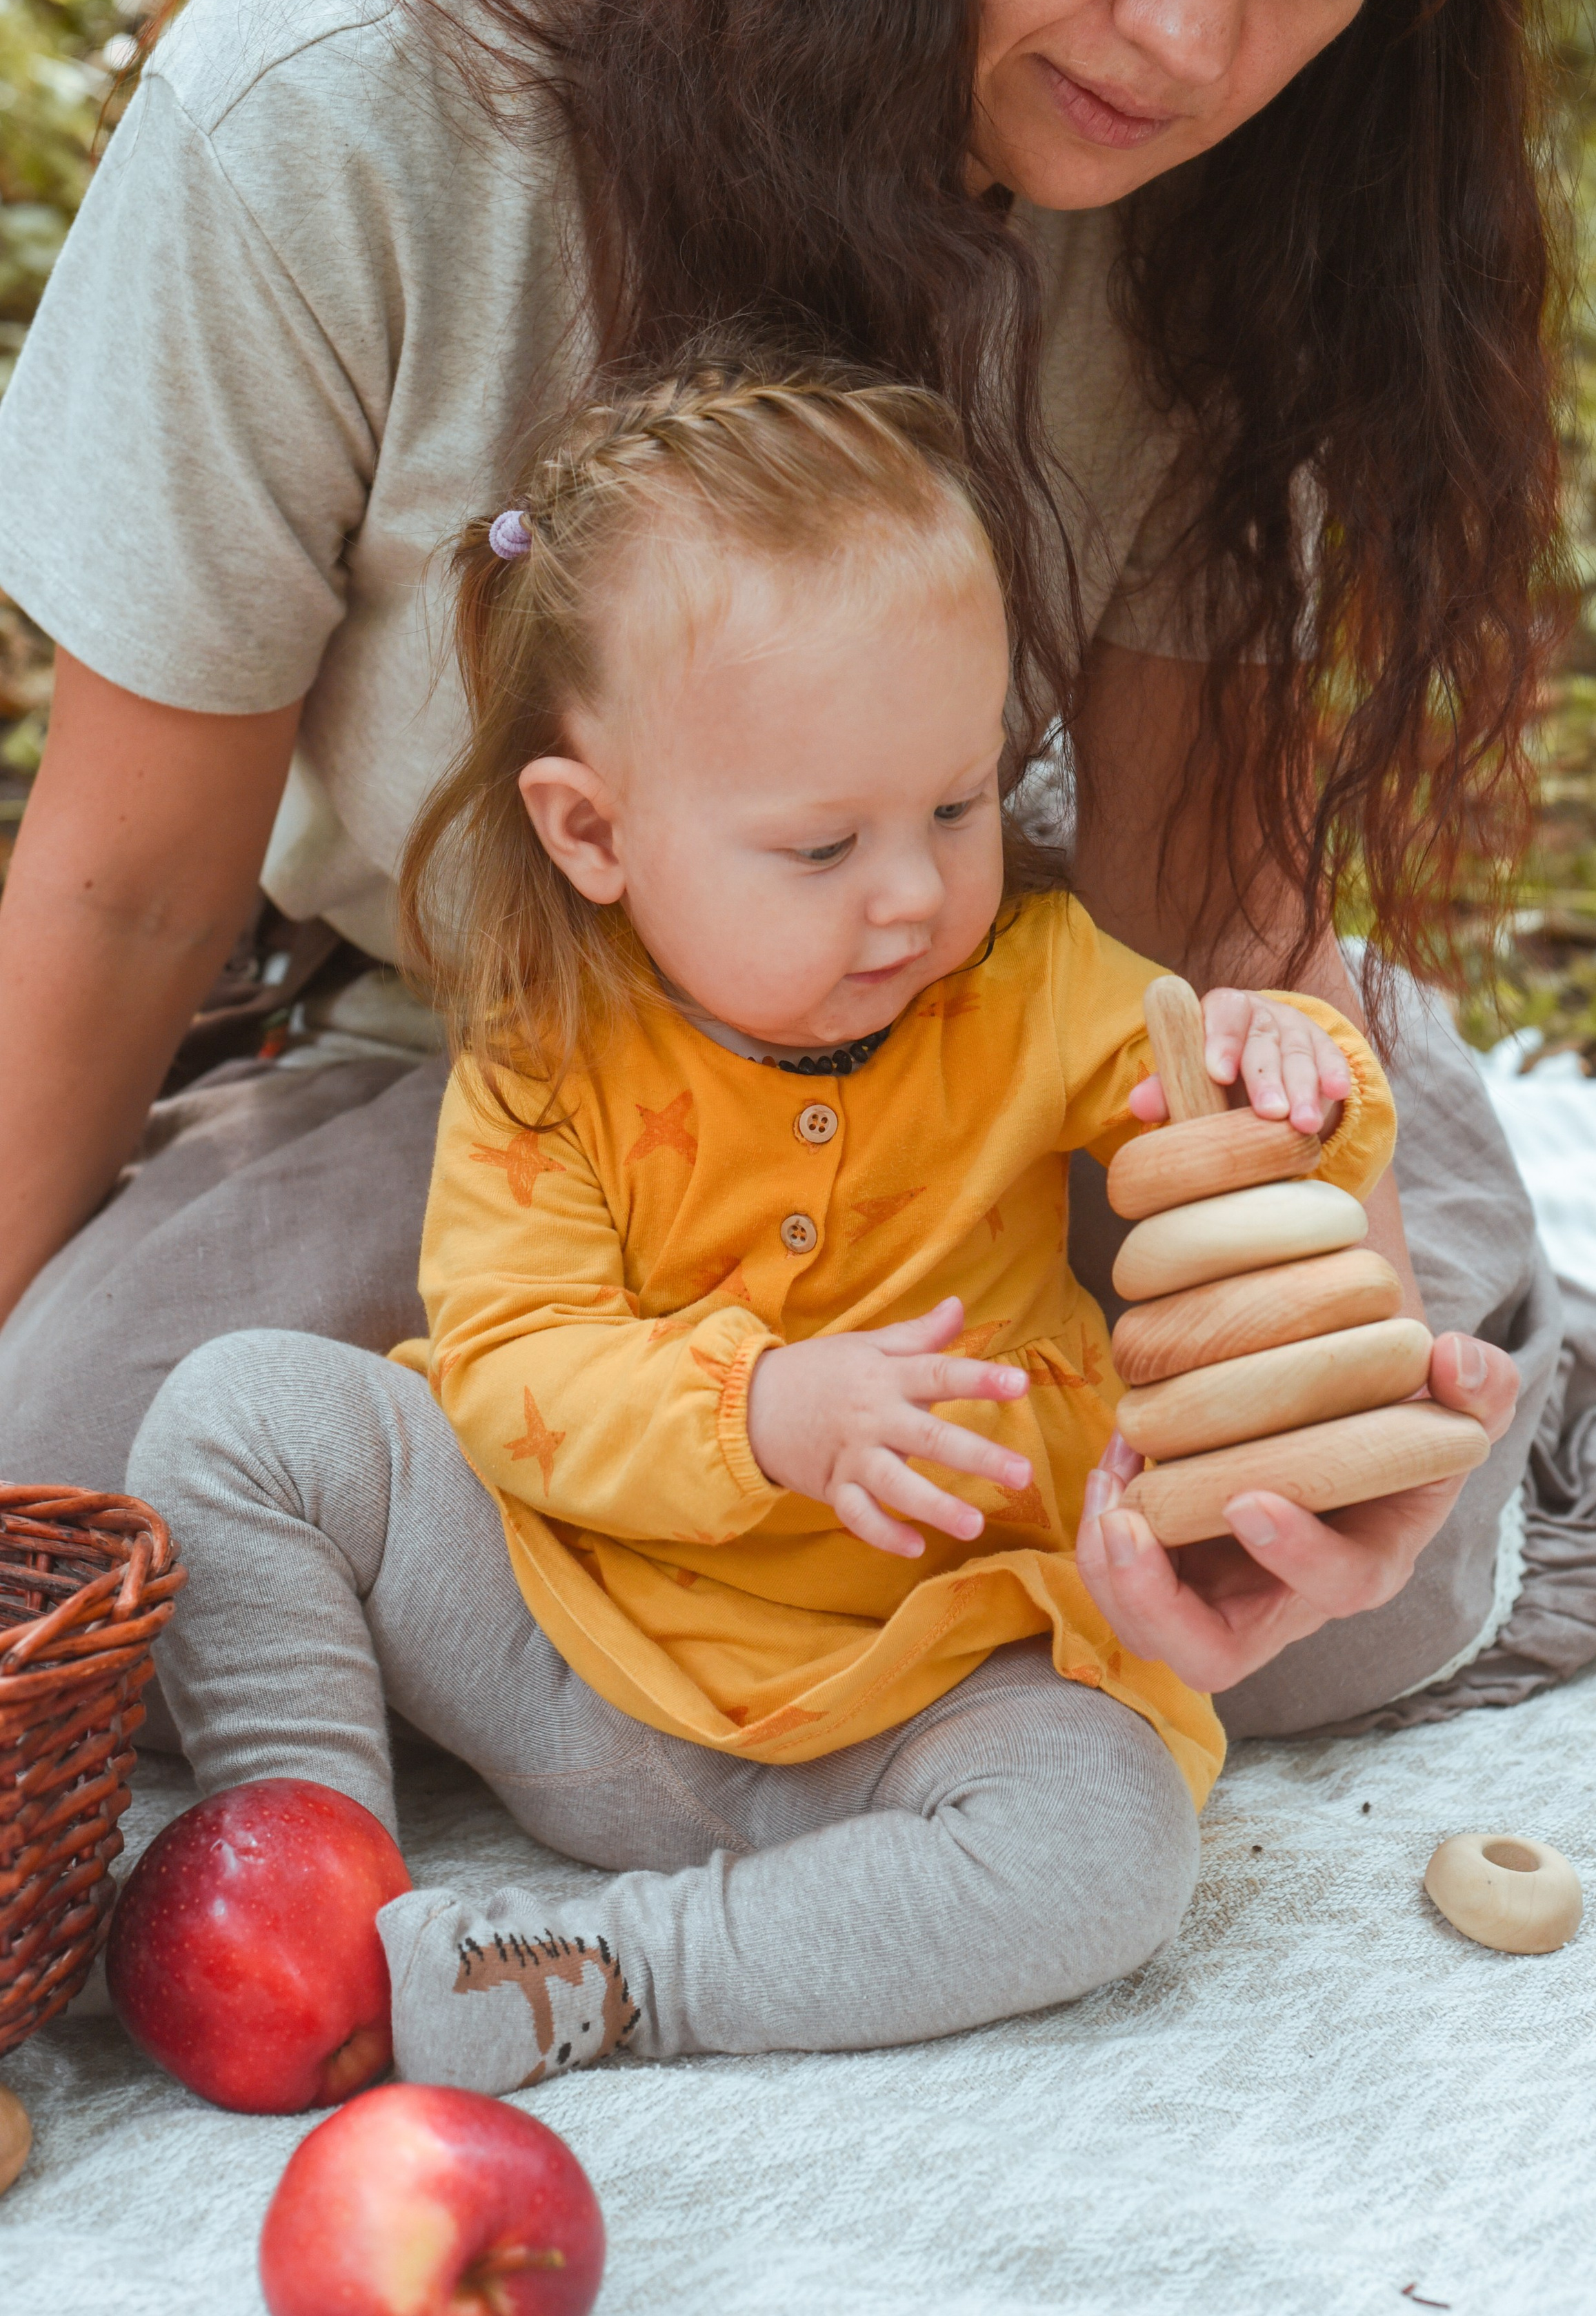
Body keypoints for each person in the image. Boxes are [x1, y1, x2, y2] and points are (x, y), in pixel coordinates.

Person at [0, 0, 1596, 1737]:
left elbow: (1191, 908)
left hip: (1008, 1032)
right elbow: (123, 894)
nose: (1193, 44)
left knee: (1345, 1593)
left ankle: (1449, 1250)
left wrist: (1309, 1346)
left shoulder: (1278, 182)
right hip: (491, 1070)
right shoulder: (348, 93)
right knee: (82, 1480)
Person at [132, 359, 1414, 2073]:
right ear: (595, 832)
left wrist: (1283, 1062)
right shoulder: (550, 1044)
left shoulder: (1026, 985)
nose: (912, 892)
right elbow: (513, 1367)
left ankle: (600, 1973)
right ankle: (305, 1878)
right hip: (562, 1630)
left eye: (955, 807)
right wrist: (761, 1412)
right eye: (821, 848)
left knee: (1112, 1838)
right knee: (240, 1417)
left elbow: (1223, 1141)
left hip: (916, 1690)